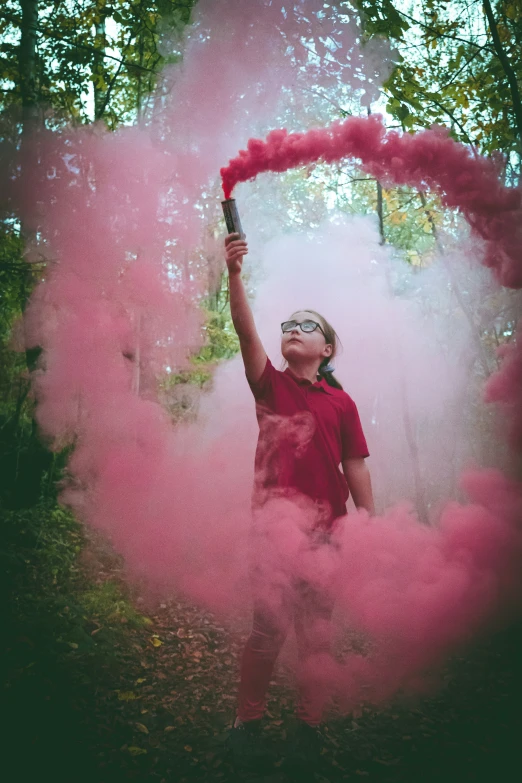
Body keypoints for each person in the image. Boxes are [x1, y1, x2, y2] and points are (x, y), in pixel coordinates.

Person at [224, 232, 375, 767]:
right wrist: (235, 275)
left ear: (327, 348)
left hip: (327, 533)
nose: (291, 329)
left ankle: (308, 726)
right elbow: (246, 333)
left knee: (317, 633)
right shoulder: (270, 385)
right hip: (272, 530)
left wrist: (369, 522)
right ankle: (248, 720)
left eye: (305, 325)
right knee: (267, 631)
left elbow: (354, 464)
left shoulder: (343, 401)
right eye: (287, 325)